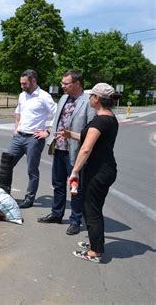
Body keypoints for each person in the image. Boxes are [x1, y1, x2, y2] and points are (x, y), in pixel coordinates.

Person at [60, 83, 119, 263]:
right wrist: (70, 134)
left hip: (99, 172)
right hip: (105, 169)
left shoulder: (100, 120)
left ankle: (95, 252)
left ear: (97, 99)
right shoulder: (110, 117)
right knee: (94, 208)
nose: (89, 98)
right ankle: (96, 243)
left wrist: (74, 171)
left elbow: (86, 148)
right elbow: (89, 137)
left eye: (91, 95)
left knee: (91, 209)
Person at [38, 70, 96, 236]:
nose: (62, 86)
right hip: (59, 148)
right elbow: (56, 121)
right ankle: (57, 214)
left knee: (75, 188)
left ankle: (75, 221)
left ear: (77, 84)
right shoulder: (63, 98)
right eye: (62, 83)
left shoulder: (88, 102)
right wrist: (50, 134)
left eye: (65, 83)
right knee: (58, 184)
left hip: (75, 152)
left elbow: (91, 129)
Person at [6, 69, 57, 208]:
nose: (22, 87)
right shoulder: (22, 95)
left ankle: (29, 199)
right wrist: (16, 128)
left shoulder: (44, 96)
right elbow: (18, 113)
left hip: (34, 139)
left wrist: (48, 131)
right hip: (19, 136)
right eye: (21, 84)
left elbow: (57, 114)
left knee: (32, 170)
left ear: (33, 81)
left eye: (24, 84)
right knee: (6, 164)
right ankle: (5, 194)